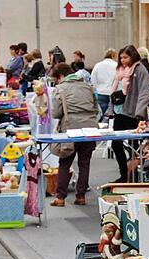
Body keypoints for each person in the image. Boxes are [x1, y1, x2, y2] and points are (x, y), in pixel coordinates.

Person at [49, 63, 99, 207]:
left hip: (70, 127)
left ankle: (60, 197)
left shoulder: (60, 89)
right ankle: (81, 196)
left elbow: (57, 113)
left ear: (60, 76)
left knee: (65, 162)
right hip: (90, 127)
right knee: (85, 162)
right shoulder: (88, 87)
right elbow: (96, 108)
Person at [107, 45, 149, 183]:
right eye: (121, 57)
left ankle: (132, 176)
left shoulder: (139, 69)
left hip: (132, 114)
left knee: (134, 147)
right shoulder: (120, 70)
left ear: (133, 56)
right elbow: (114, 91)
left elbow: (145, 91)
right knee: (116, 144)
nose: (123, 60)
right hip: (119, 112)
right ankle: (124, 175)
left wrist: (139, 112)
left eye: (125, 57)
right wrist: (110, 110)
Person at [91, 48, 117, 117]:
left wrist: (97, 88)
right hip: (113, 93)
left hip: (100, 92)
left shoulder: (98, 65)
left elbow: (93, 79)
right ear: (113, 56)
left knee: (102, 115)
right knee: (112, 115)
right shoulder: (116, 65)